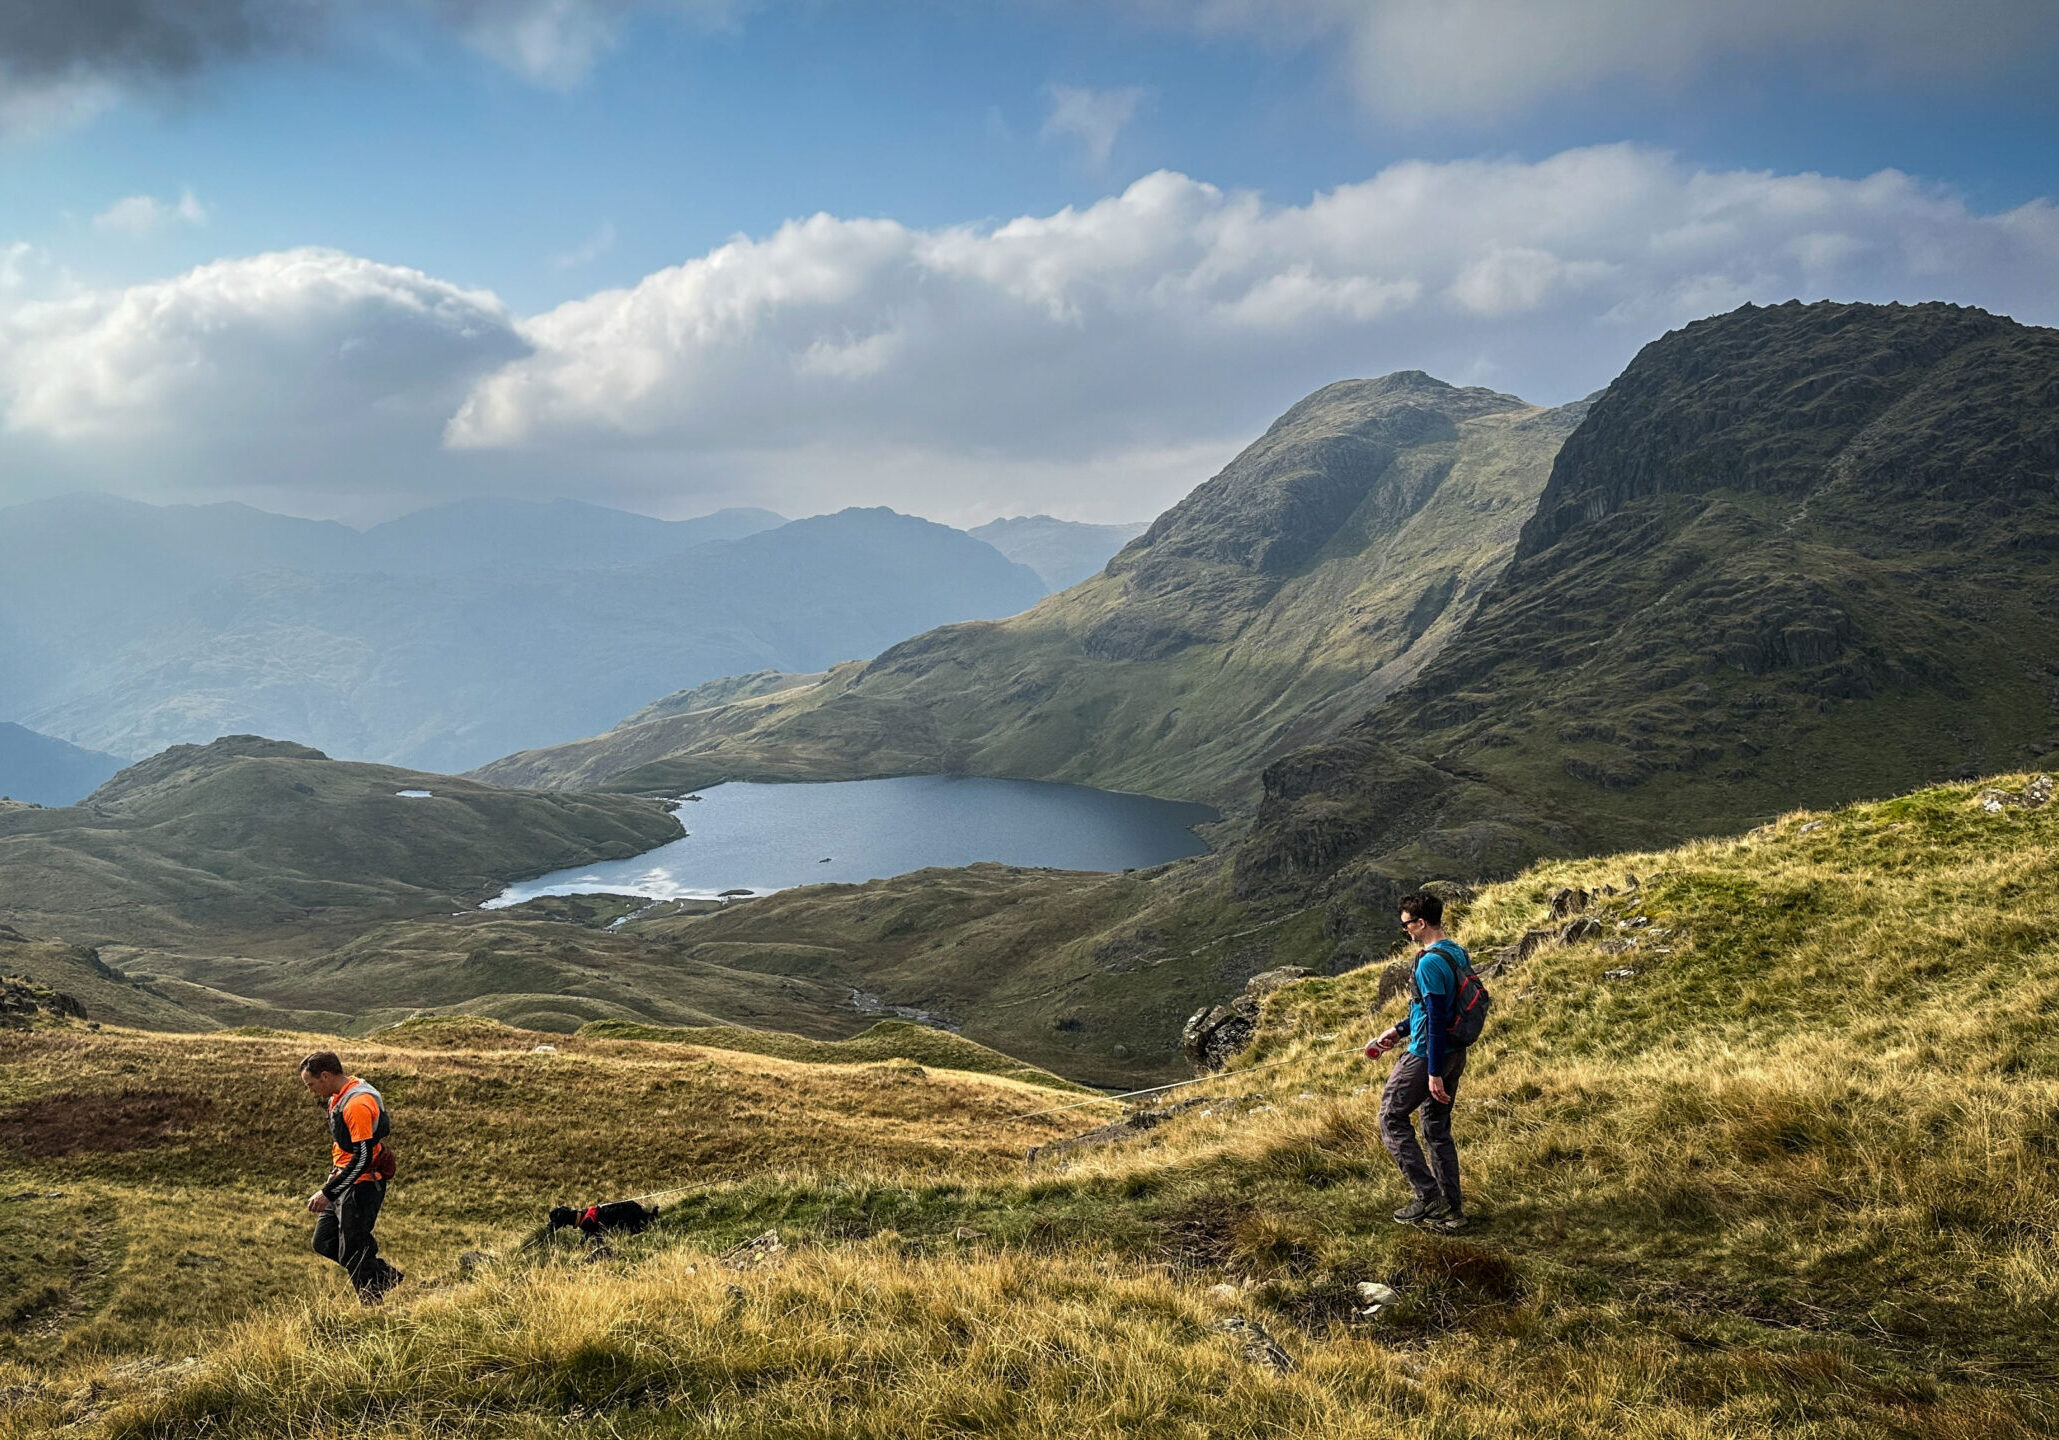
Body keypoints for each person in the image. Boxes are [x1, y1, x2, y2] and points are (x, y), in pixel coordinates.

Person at [1364, 891, 1478, 1231]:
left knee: (1390, 1116)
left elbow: (1436, 1017)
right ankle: (1452, 1212)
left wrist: (1432, 1072)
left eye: (1407, 925)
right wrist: (1399, 1031)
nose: (1405, 931)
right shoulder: (1455, 951)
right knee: (1436, 1129)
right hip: (1455, 1052)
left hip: (1431, 1054)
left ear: (1421, 923)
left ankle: (1428, 1196)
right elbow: (1430, 1010)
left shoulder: (1428, 962)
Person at [298, 1050, 403, 1303]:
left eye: (310, 1084)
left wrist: (328, 1192)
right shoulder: (340, 1096)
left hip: (361, 1185)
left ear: (325, 1076)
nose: (310, 1090)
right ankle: (386, 1277)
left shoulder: (357, 1104)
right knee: (324, 1242)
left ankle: (372, 1306)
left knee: (354, 1250)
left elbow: (363, 1158)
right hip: (343, 1179)